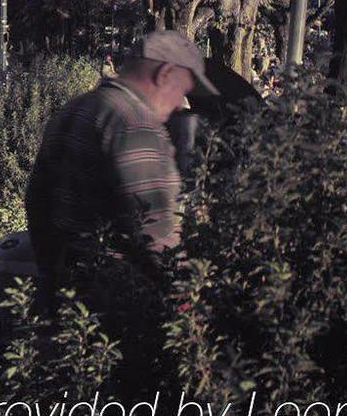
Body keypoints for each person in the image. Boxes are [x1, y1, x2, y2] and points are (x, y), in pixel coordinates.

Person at [24, 30, 216, 283]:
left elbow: (36, 200)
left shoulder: (78, 107)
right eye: (182, 90)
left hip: (68, 288)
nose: (181, 104)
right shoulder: (135, 123)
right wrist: (184, 295)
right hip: (117, 293)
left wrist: (52, 273)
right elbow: (154, 227)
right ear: (165, 74)